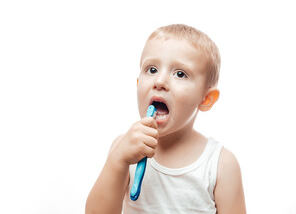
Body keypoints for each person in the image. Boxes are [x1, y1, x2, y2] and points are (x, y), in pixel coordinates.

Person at [86, 24, 246, 214]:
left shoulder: (220, 164)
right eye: (151, 70)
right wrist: (117, 161)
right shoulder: (123, 150)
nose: (159, 82)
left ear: (206, 99)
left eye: (180, 74)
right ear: (138, 84)